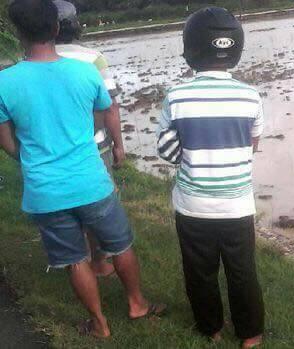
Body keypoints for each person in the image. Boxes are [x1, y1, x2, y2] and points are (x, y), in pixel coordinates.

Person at [0, 0, 165, 339]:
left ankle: (100, 324)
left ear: (18, 33)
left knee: (76, 259)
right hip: (91, 180)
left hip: (45, 189)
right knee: (120, 244)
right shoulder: (86, 72)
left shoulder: (4, 82)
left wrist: (29, 156)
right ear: (57, 29)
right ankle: (137, 304)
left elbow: (7, 142)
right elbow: (102, 116)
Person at [157, 7, 264, 348]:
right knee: (243, 271)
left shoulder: (176, 96)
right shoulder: (250, 96)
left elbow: (168, 151)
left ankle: (211, 328)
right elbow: (253, 145)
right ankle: (251, 334)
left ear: (189, 49)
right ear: (236, 48)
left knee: (200, 272)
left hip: (193, 206)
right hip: (237, 205)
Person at [54, 0, 119, 278]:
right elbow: (109, 106)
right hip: (95, 145)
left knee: (66, 207)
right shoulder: (93, 57)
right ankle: (101, 263)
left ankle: (77, 262)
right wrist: (120, 145)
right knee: (98, 206)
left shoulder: (31, 60)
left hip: (53, 149)